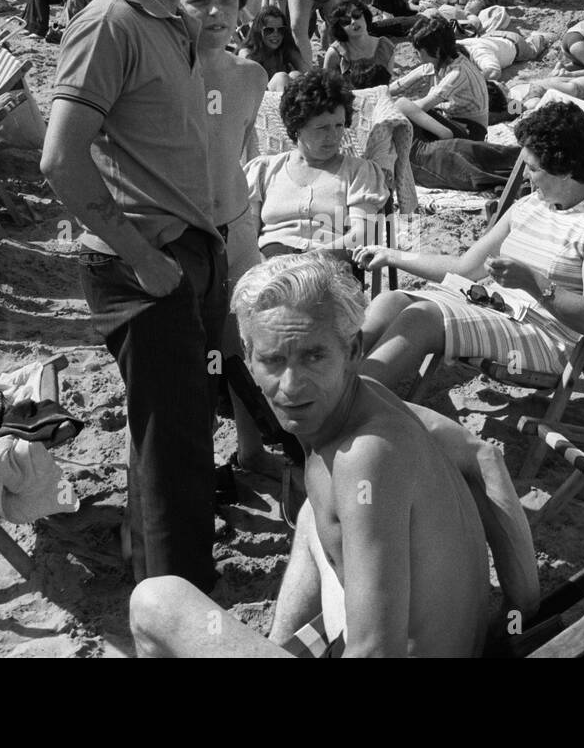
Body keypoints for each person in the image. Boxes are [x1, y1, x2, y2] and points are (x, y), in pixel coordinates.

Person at [130, 253, 538, 657]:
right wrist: (522, 608)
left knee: (155, 600)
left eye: (313, 356)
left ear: (354, 349)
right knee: (315, 511)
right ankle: (280, 646)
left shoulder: (364, 458)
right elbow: (486, 458)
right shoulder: (380, 406)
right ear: (249, 359)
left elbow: (376, 651)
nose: (291, 386)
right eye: (273, 360)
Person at [41, 0, 226, 593]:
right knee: (176, 446)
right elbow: (59, 158)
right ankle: (179, 605)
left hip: (185, 249)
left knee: (170, 434)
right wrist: (143, 256)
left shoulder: (170, 17)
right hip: (145, 264)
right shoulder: (109, 23)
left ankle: (151, 569)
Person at [353, 102, 584, 391]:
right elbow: (465, 268)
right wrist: (393, 256)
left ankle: (348, 407)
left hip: (544, 338)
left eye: (533, 169)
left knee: (419, 320)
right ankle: (333, 389)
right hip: (490, 308)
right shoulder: (530, 205)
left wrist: (534, 282)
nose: (525, 177)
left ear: (565, 171)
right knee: (391, 301)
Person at [179, 0, 275, 478]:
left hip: (236, 226)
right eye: (199, 0)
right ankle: (193, 461)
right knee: (193, 353)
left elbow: (238, 148)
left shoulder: (253, 76)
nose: (215, 12)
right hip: (184, 233)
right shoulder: (167, 76)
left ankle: (250, 447)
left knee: (244, 341)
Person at [244, 69, 390, 261]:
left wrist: (308, 260)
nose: (334, 136)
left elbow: (361, 235)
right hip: (269, 268)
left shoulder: (359, 172)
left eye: (339, 125)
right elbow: (246, 235)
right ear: (297, 127)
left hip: (329, 268)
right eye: (322, 128)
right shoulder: (263, 170)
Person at [388, 17, 520, 190]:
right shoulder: (440, 62)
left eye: (419, 51)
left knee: (403, 107)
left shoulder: (458, 72)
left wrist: (400, 104)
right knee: (403, 109)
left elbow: (422, 106)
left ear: (435, 51)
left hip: (469, 131)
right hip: (451, 120)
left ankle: (444, 135)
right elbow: (400, 85)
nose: (416, 55)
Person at [241, 4, 310, 90]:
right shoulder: (248, 53)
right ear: (259, 31)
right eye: (269, 30)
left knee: (296, 75)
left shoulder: (285, 47)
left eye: (280, 30)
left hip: (278, 94)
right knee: (281, 77)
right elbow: (250, 87)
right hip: (257, 97)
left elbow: (307, 71)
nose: (275, 34)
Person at [322, 0, 395, 79]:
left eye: (356, 14)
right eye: (345, 20)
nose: (353, 22)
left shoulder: (385, 47)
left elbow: (387, 85)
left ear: (364, 14)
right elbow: (327, 86)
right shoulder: (335, 54)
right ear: (339, 28)